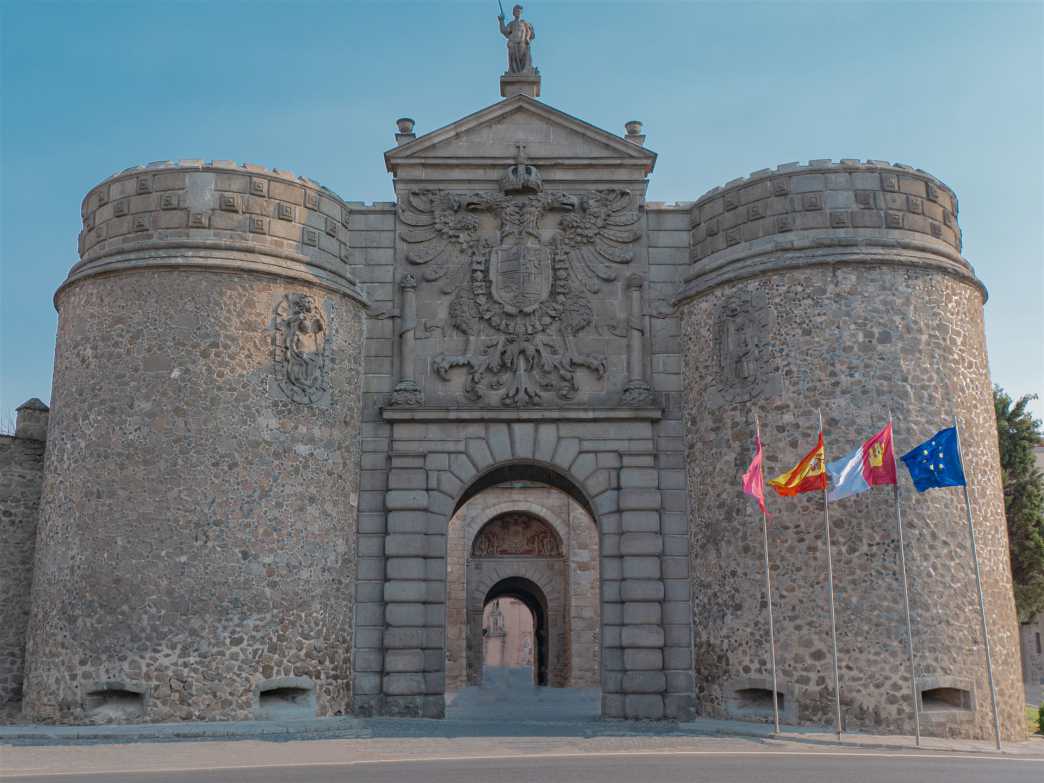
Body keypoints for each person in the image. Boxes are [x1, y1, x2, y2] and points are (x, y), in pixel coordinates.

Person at [498, 4, 535, 74]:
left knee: (523, 57)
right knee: (513, 59)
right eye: (516, 11)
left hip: (522, 43)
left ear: (521, 13)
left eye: (519, 11)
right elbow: (504, 30)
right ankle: (514, 72)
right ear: (513, 13)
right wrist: (501, 21)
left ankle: (524, 71)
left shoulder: (524, 23)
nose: (517, 13)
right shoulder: (511, 24)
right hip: (513, 43)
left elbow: (530, 33)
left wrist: (527, 37)